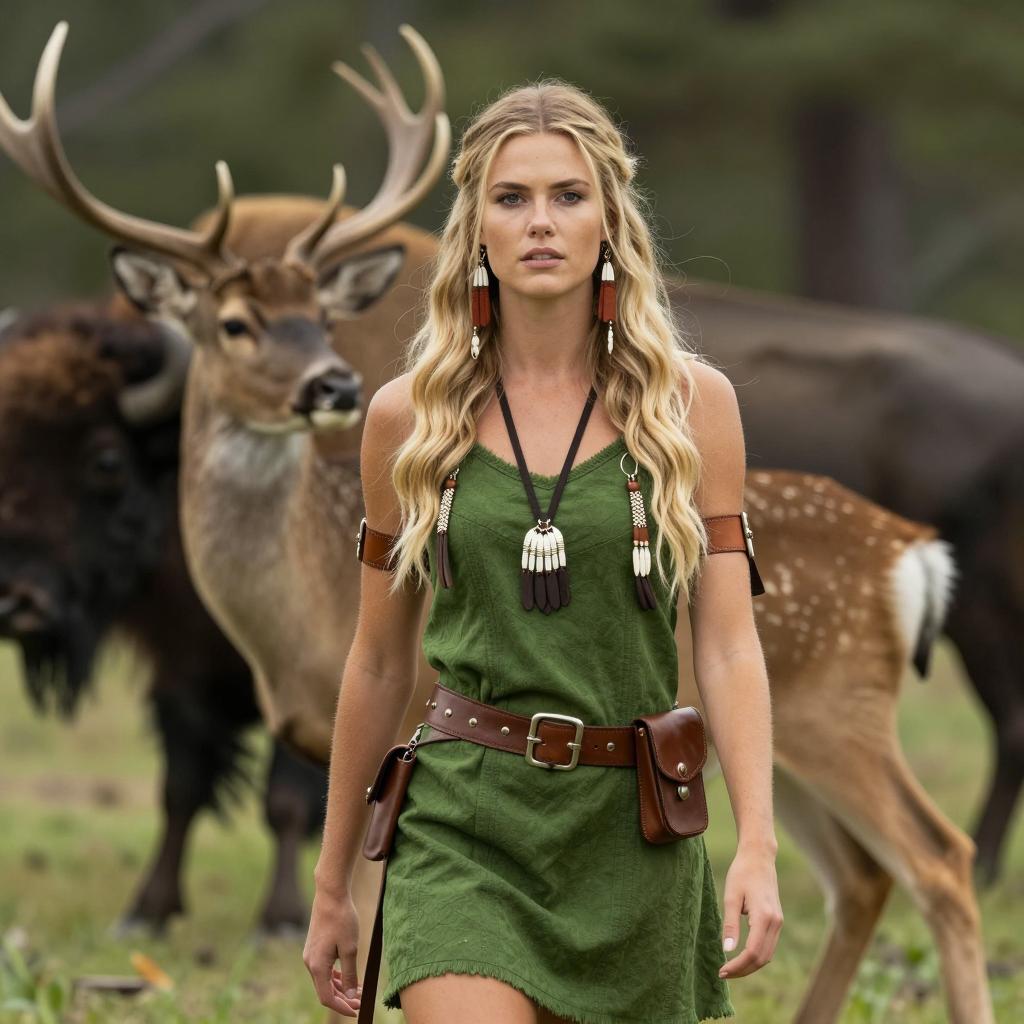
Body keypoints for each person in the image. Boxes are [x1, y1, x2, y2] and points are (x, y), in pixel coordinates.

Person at [304, 78, 782, 1024]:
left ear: (611, 217)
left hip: (634, 830)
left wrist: (759, 843)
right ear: (474, 225)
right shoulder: (406, 418)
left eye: (568, 196)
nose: (541, 223)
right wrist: (330, 884)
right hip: (465, 822)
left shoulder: (695, 408)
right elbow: (378, 658)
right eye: (511, 198)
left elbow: (727, 646)